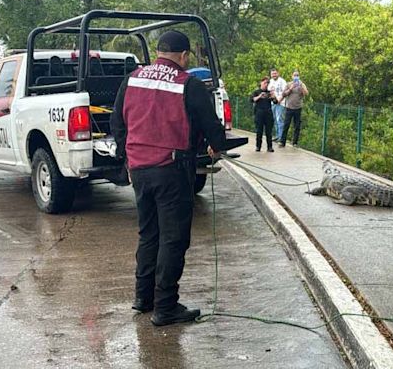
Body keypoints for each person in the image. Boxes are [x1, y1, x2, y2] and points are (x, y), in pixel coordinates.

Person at [110, 30, 226, 327]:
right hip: (171, 171)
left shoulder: (132, 78)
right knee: (173, 239)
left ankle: (143, 298)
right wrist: (216, 146)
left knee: (149, 234)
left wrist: (128, 156)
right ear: (184, 56)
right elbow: (211, 124)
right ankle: (166, 307)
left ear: (157, 51)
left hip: (139, 170)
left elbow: (117, 122)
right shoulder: (189, 83)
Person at [279, 70, 308, 148]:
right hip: (289, 108)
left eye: (297, 75)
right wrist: (291, 88)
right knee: (286, 125)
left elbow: (306, 93)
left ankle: (295, 142)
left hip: (298, 108)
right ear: (292, 76)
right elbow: (284, 94)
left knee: (297, 126)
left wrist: (301, 86)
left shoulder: (302, 84)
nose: (296, 77)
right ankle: (282, 142)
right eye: (295, 75)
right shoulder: (289, 84)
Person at [250, 77, 275, 152]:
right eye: (264, 83)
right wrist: (260, 96)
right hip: (259, 113)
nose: (266, 84)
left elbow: (275, 101)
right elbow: (251, 99)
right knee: (259, 131)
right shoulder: (256, 92)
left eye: (267, 83)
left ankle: (269, 147)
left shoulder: (269, 92)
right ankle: (258, 146)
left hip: (268, 113)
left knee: (269, 131)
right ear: (261, 83)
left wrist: (273, 96)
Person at [267, 68, 287, 142]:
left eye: (275, 73)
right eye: (272, 74)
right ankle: (277, 135)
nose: (274, 75)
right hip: (273, 103)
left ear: (278, 73)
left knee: (280, 120)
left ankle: (281, 137)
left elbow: (285, 92)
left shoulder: (282, 81)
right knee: (274, 119)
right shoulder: (270, 82)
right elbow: (269, 92)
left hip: (281, 103)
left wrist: (279, 100)